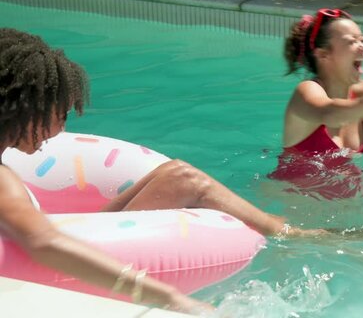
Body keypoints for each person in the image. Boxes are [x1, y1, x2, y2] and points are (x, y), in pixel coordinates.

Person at [0, 28, 322, 313]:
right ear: (27, 109)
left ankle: (284, 231)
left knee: (180, 176)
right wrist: (165, 295)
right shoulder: (3, 181)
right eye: (59, 114)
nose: (60, 129)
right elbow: (43, 242)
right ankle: (288, 233)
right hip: (51, 273)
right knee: (187, 180)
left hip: (65, 239)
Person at [268, 8, 363, 200]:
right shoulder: (306, 92)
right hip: (293, 214)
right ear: (323, 55)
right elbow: (328, 113)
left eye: (362, 40)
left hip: (347, 212)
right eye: (351, 42)